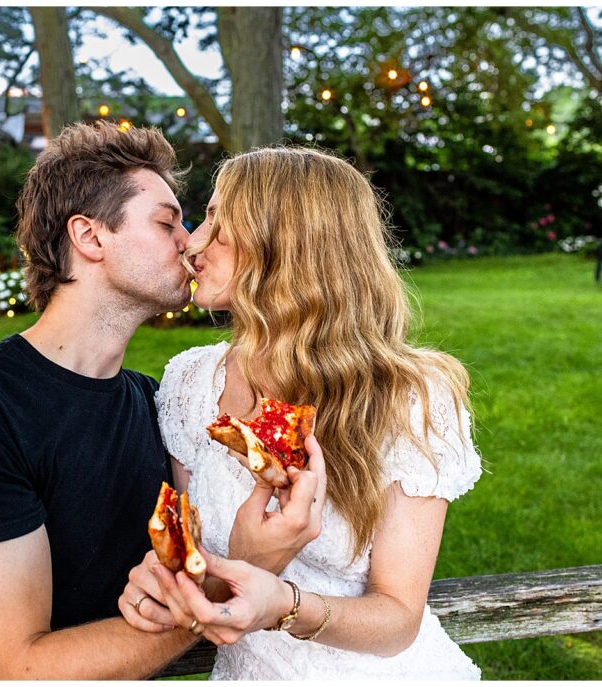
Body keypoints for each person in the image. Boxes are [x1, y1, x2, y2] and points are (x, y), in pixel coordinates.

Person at [119, 146, 484, 679]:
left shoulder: (414, 398)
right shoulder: (191, 382)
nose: (193, 243)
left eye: (221, 224)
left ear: (289, 246)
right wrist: (162, 591)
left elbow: (399, 619)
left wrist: (285, 605)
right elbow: (201, 568)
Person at [0, 121, 203, 679]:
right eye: (167, 222)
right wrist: (213, 611)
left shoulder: (160, 406)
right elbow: (17, 670)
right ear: (89, 237)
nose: (191, 239)